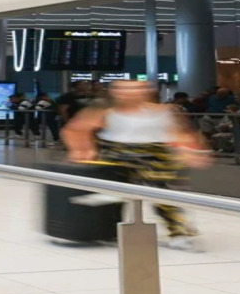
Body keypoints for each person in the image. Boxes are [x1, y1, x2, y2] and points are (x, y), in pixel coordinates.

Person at [62, 80, 210, 252]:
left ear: (146, 92)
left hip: (156, 154)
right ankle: (108, 231)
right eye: (123, 89)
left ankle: (179, 233)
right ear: (114, 92)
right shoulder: (103, 111)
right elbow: (74, 130)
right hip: (116, 153)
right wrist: (81, 150)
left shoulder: (162, 111)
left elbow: (181, 133)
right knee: (113, 195)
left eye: (136, 89)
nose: (129, 93)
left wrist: (190, 150)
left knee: (163, 196)